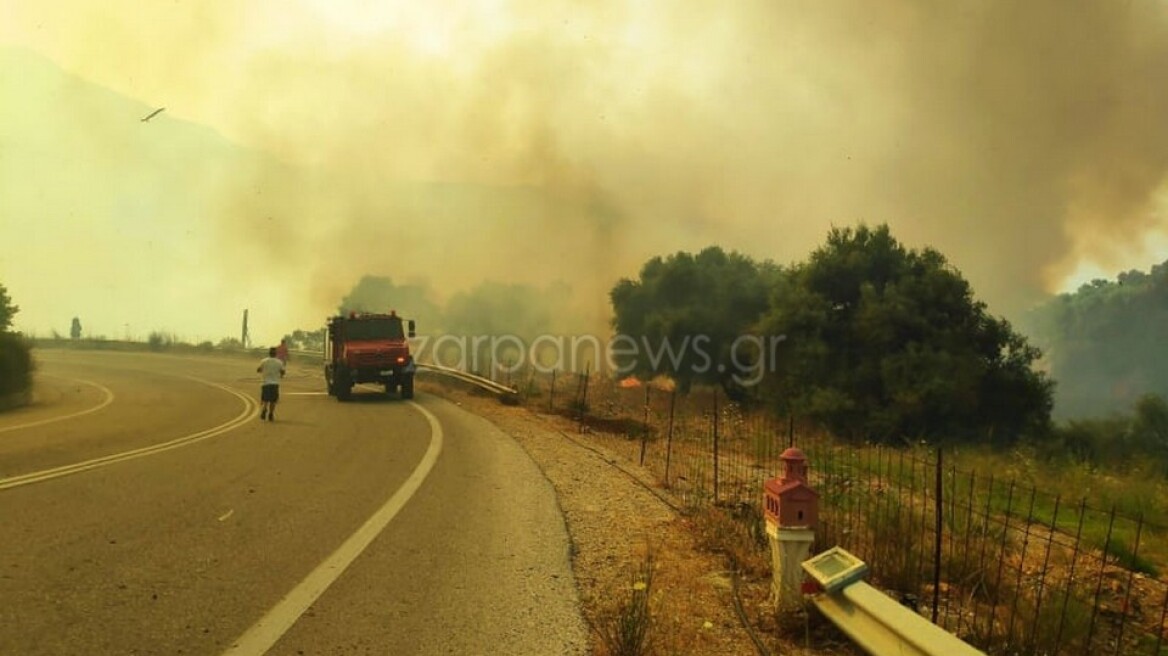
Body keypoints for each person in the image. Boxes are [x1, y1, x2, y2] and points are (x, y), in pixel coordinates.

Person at [256, 346, 286, 422]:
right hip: (275, 383)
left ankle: (264, 410)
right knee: (273, 401)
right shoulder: (279, 362)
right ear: (276, 354)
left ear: (269, 353)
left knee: (265, 399)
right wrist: (281, 375)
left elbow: (259, 370)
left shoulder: (264, 361)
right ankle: (271, 414)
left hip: (265, 383)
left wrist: (263, 371)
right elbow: (283, 371)